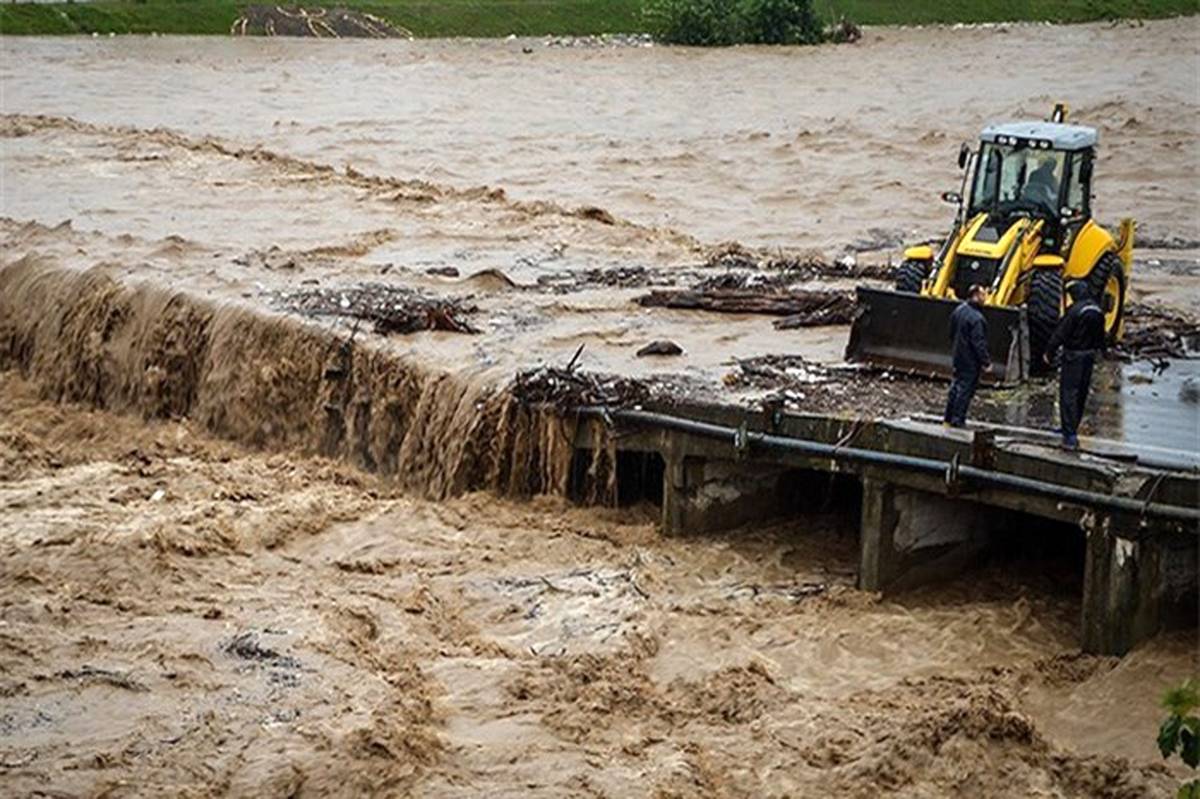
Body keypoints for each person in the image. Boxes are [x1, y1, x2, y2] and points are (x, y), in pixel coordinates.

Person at [1044, 279, 1106, 450]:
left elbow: (1060, 333)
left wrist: (1049, 351)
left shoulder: (1075, 311)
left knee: (1068, 394)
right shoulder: (1097, 311)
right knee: (1081, 394)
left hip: (1073, 356)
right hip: (1089, 356)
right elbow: (1102, 337)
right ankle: (1070, 427)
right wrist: (1102, 352)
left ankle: (1069, 433)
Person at [944, 284, 992, 428]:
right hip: (970, 360)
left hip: (958, 355)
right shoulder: (977, 319)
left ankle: (948, 416)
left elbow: (951, 332)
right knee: (965, 389)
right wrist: (986, 362)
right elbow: (979, 343)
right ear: (976, 296)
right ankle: (958, 420)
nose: (985, 298)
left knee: (956, 386)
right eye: (983, 295)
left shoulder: (958, 310)